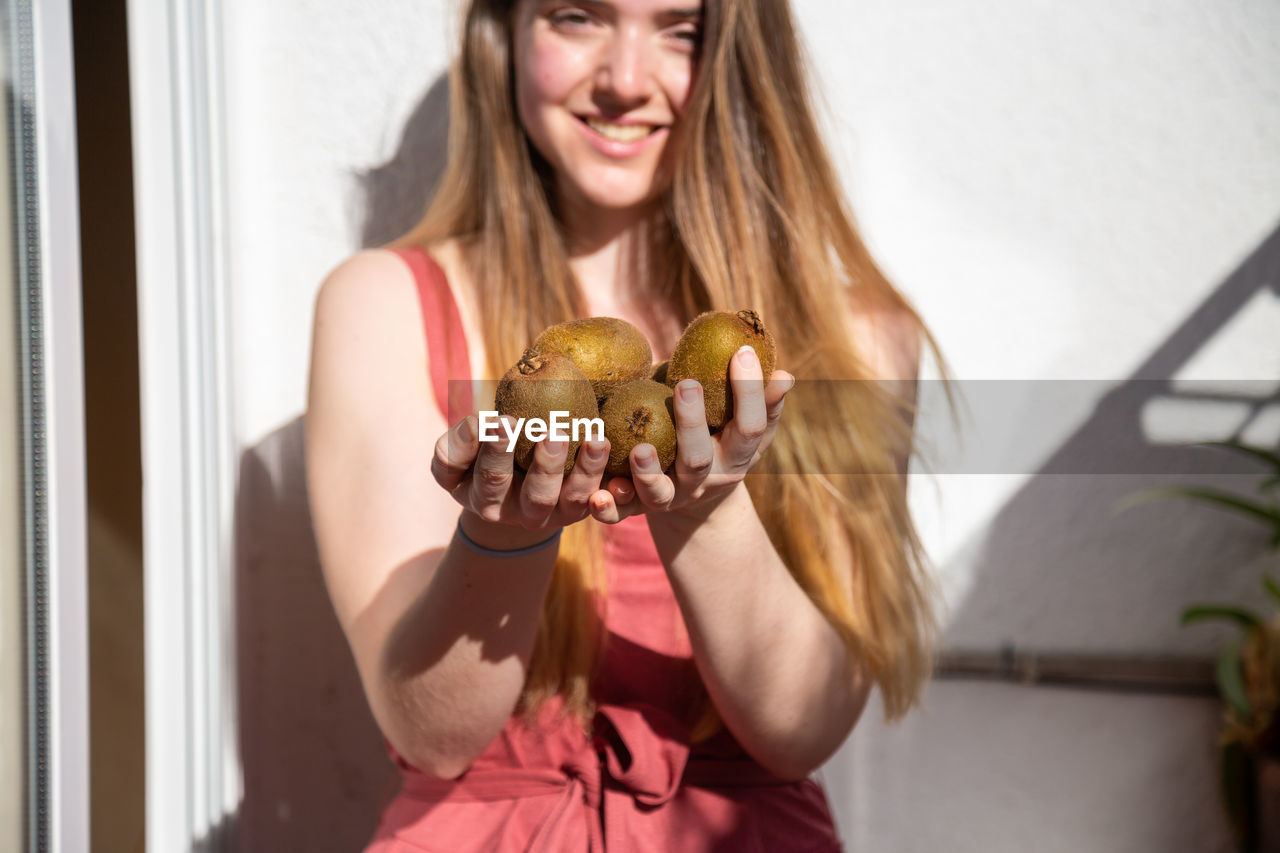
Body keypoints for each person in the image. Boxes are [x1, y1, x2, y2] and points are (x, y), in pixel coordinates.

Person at [305, 0, 946, 849]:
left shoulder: (858, 337)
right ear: (506, 32)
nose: (626, 80)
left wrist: (703, 508)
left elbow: (801, 730)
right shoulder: (382, 305)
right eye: (579, 16)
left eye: (681, 29)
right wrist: (503, 538)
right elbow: (432, 732)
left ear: (743, 58)